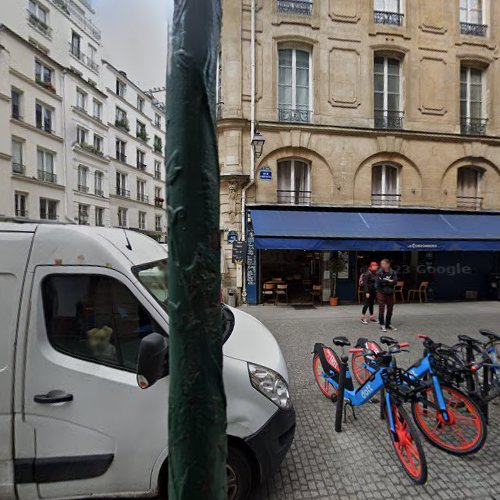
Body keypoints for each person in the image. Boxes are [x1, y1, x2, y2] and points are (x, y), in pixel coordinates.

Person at [376, 258, 398, 332]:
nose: (382, 265)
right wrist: (389, 281)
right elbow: (378, 281)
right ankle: (382, 324)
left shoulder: (393, 272)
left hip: (390, 292)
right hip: (381, 292)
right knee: (381, 309)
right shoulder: (379, 272)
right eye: (381, 263)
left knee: (390, 309)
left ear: (388, 264)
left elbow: (395, 282)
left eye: (384, 263)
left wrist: (385, 281)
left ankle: (388, 323)